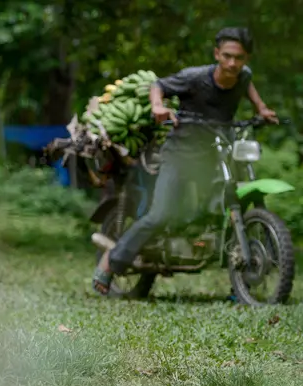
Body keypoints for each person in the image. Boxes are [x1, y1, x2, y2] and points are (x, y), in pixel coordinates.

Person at [92, 27, 278, 295]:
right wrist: (158, 106)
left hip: (217, 152)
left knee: (226, 206)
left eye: (239, 58)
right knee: (161, 215)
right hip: (180, 153)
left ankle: (240, 286)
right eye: (226, 56)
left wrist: (261, 109)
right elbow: (159, 86)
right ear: (217, 54)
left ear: (246, 58)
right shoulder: (195, 78)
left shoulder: (243, 75)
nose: (232, 63)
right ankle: (111, 263)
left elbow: (247, 84)